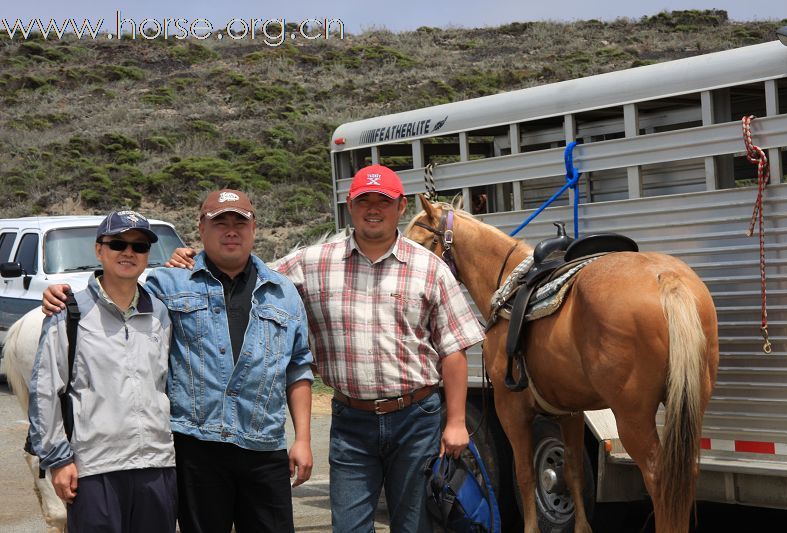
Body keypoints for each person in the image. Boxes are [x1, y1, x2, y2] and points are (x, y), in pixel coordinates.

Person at [166, 165, 485, 533]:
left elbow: (453, 349)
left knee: (413, 526)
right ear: (350, 206)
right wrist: (193, 260)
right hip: (352, 421)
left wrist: (457, 421)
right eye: (364, 200)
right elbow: (249, 274)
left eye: (383, 201)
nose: (373, 209)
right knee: (349, 527)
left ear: (401, 208)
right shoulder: (314, 262)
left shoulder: (430, 268)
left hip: (415, 417)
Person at [42, 190, 314, 533]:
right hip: (196, 450)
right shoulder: (167, 284)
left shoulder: (283, 291)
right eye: (220, 222)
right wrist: (63, 294)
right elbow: (117, 292)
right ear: (201, 228)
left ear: (254, 228)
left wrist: (302, 439)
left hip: (264, 447)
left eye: (239, 222)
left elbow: (298, 366)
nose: (231, 230)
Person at [29, 210, 177, 532]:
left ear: (147, 255)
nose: (128, 252)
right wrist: (58, 459)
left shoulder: (160, 315)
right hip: (95, 469)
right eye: (118, 244)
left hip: (157, 466)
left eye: (139, 247)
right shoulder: (69, 313)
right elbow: (44, 392)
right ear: (99, 250)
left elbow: (166, 386)